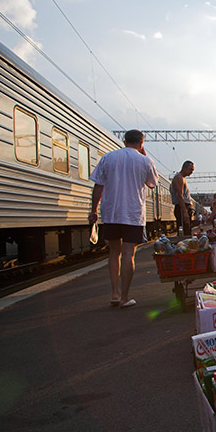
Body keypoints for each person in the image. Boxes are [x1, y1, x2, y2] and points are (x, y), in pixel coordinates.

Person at [88, 129, 158, 308]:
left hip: (111, 212)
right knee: (128, 254)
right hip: (133, 214)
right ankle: (125, 297)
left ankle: (114, 293)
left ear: (124, 141)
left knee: (114, 253)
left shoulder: (108, 158)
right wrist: (144, 156)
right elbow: (152, 184)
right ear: (141, 143)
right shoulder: (144, 160)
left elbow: (98, 186)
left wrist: (93, 210)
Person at [171, 160, 194, 235]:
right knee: (184, 232)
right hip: (182, 207)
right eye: (191, 169)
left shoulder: (182, 178)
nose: (192, 172)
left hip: (183, 207)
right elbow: (179, 196)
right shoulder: (179, 178)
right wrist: (185, 212)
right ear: (184, 168)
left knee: (186, 231)